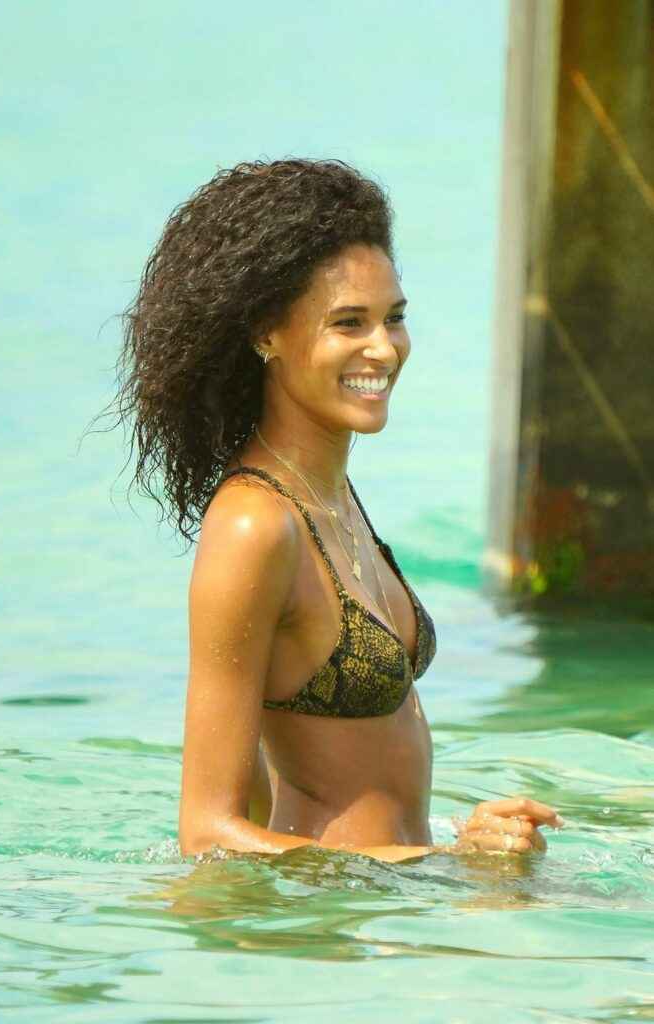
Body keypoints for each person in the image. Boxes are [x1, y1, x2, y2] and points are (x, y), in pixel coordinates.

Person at [112, 157, 564, 863]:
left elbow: (290, 780)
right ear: (266, 333)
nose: (383, 349)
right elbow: (206, 834)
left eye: (394, 319)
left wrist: (462, 849)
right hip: (334, 918)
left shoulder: (332, 495)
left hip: (386, 903)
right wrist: (447, 865)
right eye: (348, 323)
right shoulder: (254, 526)